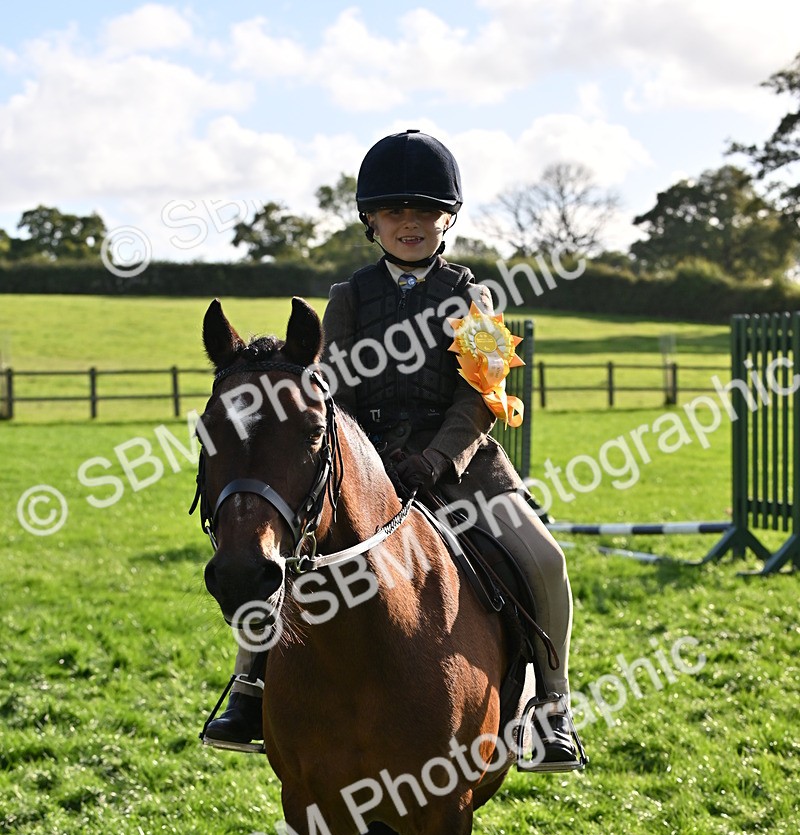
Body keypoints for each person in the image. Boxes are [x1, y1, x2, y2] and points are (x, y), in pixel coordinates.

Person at [203, 130, 580, 771]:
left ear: (447, 219)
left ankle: (551, 708)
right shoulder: (346, 299)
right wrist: (366, 457)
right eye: (395, 212)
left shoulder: (474, 301)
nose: (411, 223)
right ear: (370, 221)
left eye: (426, 211)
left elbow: (479, 395)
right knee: (275, 550)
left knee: (543, 559)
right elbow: (332, 388)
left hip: (459, 460)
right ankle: (250, 684)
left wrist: (435, 459)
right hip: (365, 460)